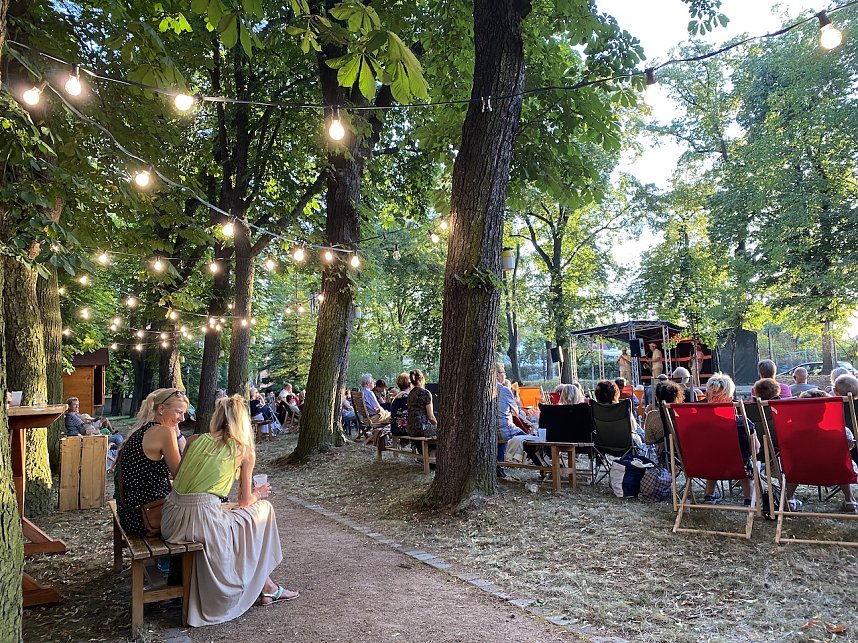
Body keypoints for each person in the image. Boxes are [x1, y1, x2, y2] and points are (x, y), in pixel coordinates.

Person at [161, 395, 298, 627]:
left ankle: (268, 586)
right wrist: (260, 493)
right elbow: (245, 500)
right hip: (202, 520)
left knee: (234, 517)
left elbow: (179, 478)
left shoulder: (195, 439)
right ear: (243, 422)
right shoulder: (244, 451)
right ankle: (267, 586)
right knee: (263, 509)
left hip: (172, 517)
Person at [114, 388, 186, 536]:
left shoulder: (140, 432)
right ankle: (174, 559)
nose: (182, 419)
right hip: (147, 517)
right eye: (178, 412)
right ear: (161, 409)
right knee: (207, 526)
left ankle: (166, 560)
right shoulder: (164, 432)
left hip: (131, 515)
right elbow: (181, 477)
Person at [781, 388, 858, 513]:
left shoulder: (792, 434)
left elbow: (786, 449)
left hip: (802, 471)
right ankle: (850, 500)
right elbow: (850, 446)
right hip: (835, 470)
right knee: (842, 461)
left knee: (796, 463)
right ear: (824, 413)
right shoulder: (838, 432)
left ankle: (788, 498)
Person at [701, 373, 758, 506]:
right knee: (746, 458)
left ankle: (709, 494)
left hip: (706, 467)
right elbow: (755, 448)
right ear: (731, 399)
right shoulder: (743, 423)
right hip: (739, 468)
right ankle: (748, 498)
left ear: (707, 396)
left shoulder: (698, 424)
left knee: (713, 455)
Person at [495, 363, 527, 475]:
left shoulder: (483, 390)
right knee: (528, 438)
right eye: (503, 372)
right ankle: (544, 466)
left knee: (501, 433)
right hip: (504, 430)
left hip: (490, 431)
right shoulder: (504, 390)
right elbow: (516, 412)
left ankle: (499, 467)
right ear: (497, 375)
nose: (505, 375)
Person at [594, 379, 644, 449]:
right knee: (641, 435)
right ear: (616, 393)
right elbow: (633, 427)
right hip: (626, 445)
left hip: (602, 446)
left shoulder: (595, 408)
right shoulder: (622, 407)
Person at [643, 380, 683, 465]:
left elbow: (648, 440)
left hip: (664, 456)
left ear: (657, 398)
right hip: (685, 455)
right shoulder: (684, 416)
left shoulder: (652, 417)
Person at [406, 370, 437, 438]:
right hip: (422, 428)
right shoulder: (426, 393)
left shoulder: (410, 394)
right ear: (422, 379)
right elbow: (431, 417)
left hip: (411, 429)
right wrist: (437, 425)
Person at [389, 373, 412, 437]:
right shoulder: (407, 398)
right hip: (405, 430)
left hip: (394, 429)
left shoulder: (395, 398)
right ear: (410, 384)